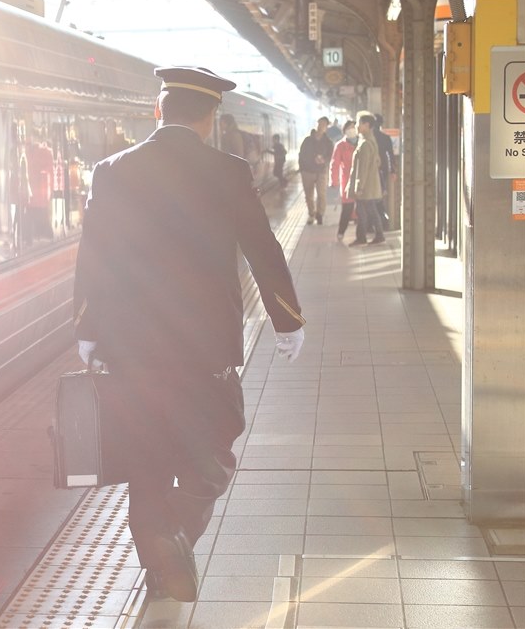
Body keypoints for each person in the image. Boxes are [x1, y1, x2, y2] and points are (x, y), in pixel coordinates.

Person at [72, 66, 306, 602]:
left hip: (131, 346)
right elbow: (261, 246)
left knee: (146, 456)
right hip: (206, 348)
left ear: (159, 110)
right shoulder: (228, 170)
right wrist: (286, 317)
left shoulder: (113, 169)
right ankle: (173, 534)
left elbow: (94, 255)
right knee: (215, 446)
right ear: (210, 118)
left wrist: (88, 327)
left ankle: (161, 553)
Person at [348, 113, 385, 246]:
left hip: (365, 186)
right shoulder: (371, 141)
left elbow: (362, 169)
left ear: (366, 125)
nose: (356, 126)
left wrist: (359, 187)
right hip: (369, 184)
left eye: (359, 123)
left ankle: (371, 236)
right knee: (365, 211)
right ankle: (365, 236)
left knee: (366, 211)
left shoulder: (364, 144)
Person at [298, 117, 333, 225]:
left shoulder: (328, 142)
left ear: (326, 127)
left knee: (321, 194)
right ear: (317, 124)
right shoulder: (307, 140)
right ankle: (311, 214)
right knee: (309, 195)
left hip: (321, 172)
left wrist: (324, 160)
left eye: (324, 124)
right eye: (320, 123)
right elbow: (302, 155)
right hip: (307, 171)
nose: (321, 126)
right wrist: (303, 168)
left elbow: (330, 156)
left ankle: (320, 214)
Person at [330, 120, 361, 241]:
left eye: (354, 127)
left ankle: (361, 235)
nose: (352, 129)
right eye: (349, 128)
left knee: (362, 209)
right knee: (347, 209)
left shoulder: (362, 142)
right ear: (344, 131)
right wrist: (334, 181)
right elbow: (335, 164)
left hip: (361, 180)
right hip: (347, 181)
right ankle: (341, 232)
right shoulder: (340, 145)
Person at [372, 114, 396, 227]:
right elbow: (390, 155)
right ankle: (383, 221)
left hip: (370, 170)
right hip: (383, 169)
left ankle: (374, 223)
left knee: (370, 197)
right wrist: (392, 171)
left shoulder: (367, 138)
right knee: (379, 196)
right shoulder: (386, 138)